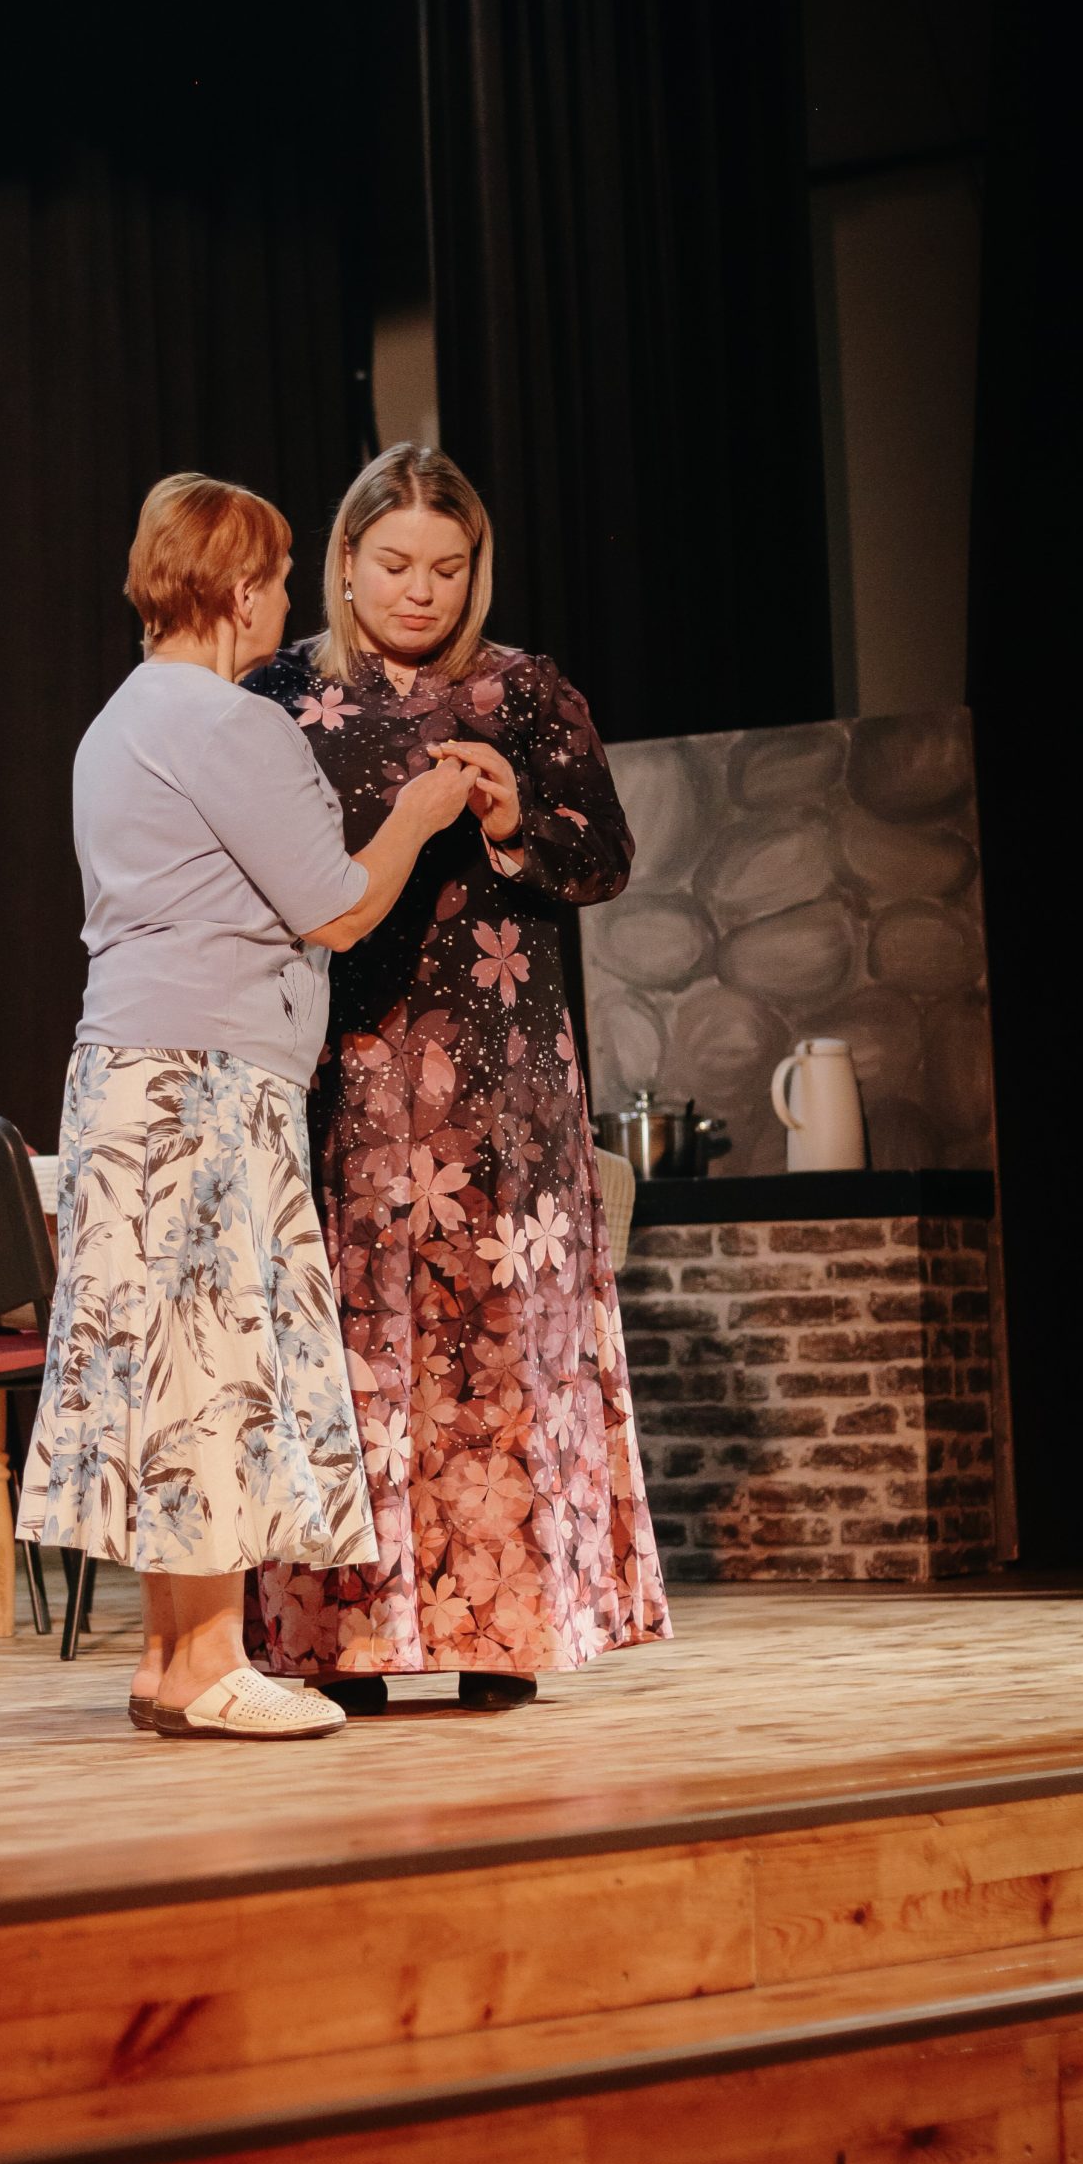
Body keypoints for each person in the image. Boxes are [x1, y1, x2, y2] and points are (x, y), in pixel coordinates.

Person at [15, 471, 471, 1739]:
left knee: (160, 1359)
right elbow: (335, 905)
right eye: (270, 579)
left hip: (128, 1074)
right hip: (205, 1080)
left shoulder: (117, 719)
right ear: (231, 591)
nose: (281, 601)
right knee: (212, 1359)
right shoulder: (226, 722)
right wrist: (420, 813)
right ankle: (213, 1659)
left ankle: (169, 1657)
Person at [243, 444, 671, 1711]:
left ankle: (500, 1629)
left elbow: (605, 857)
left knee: (494, 1349)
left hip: (501, 1093)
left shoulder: (522, 691)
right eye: (394, 564)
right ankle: (343, 1639)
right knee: (349, 1349)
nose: (419, 591)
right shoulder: (279, 694)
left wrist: (513, 821)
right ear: (346, 560)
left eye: (445, 567)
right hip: (340, 1072)